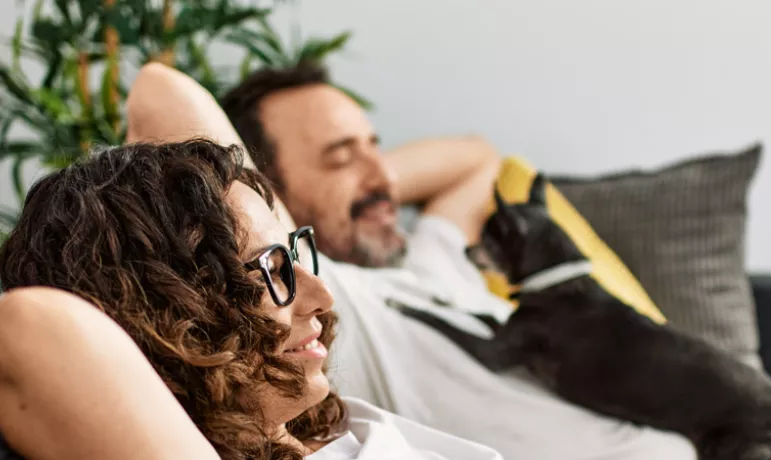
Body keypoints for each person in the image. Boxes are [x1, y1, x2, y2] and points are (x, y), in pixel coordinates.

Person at [213, 63, 698, 459]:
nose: (384, 178)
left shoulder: (427, 267)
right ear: (265, 191)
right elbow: (159, 91)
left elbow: (478, 160)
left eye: (375, 147)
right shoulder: (333, 306)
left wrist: (370, 184)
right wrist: (271, 215)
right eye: (341, 157)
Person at [0, 139, 503, 460]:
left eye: (296, 256)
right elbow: (31, 325)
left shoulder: (325, 421)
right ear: (170, 312)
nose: (323, 297)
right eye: (271, 270)